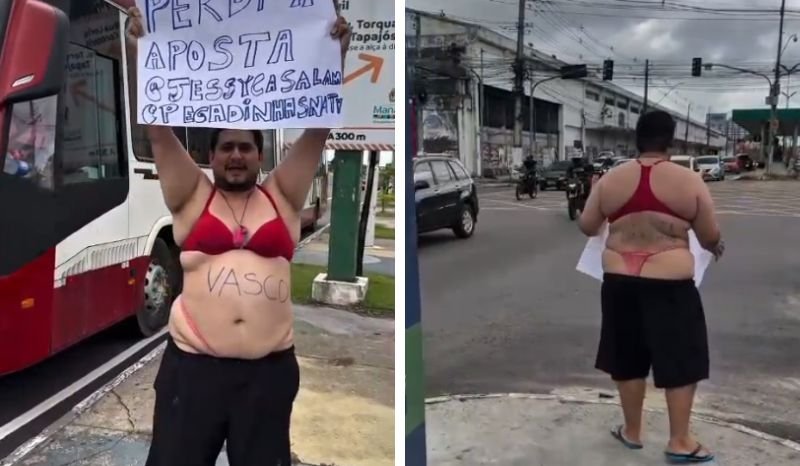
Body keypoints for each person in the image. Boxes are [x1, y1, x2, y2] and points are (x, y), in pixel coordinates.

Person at [125, 6, 351, 466]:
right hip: (192, 373)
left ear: (259, 154)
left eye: (245, 147)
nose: (235, 156)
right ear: (210, 155)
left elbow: (319, 127)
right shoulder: (192, 197)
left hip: (266, 377)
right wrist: (137, 52)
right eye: (226, 147)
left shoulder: (282, 197)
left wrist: (336, 55)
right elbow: (157, 127)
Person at [576, 110, 725, 464]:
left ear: (636, 139)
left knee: (626, 357)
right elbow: (709, 236)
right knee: (681, 358)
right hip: (669, 283)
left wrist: (601, 199)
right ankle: (679, 441)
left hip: (619, 281)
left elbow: (587, 225)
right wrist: (712, 244)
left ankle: (632, 431)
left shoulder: (611, 179)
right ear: (669, 142)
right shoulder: (688, 181)